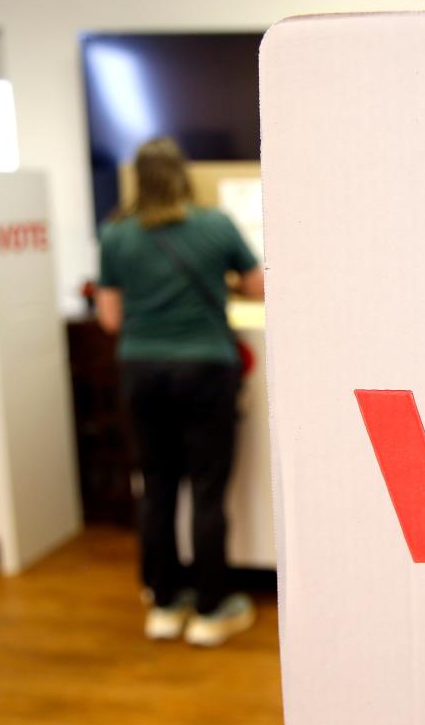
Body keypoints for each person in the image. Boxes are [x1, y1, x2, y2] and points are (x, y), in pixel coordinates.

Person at [96, 136, 264, 646]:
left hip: (142, 372)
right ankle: (213, 610)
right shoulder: (215, 225)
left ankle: (164, 605)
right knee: (208, 493)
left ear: (137, 180)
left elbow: (109, 318)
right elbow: (259, 285)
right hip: (205, 369)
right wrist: (223, 285)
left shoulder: (116, 234)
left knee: (158, 488)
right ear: (184, 176)